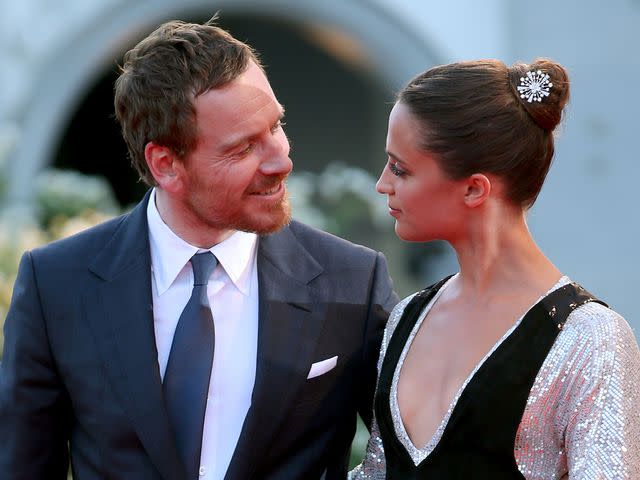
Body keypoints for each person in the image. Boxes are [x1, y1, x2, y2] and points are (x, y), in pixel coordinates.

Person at [0, 16, 399, 480]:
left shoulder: (352, 280)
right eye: (244, 147)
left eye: (276, 126)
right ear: (166, 164)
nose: (281, 159)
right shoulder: (56, 285)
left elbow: (410, 458)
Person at [350, 58, 640, 479]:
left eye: (400, 168)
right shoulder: (407, 317)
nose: (382, 184)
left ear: (474, 188)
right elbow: (377, 471)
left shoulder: (588, 337)